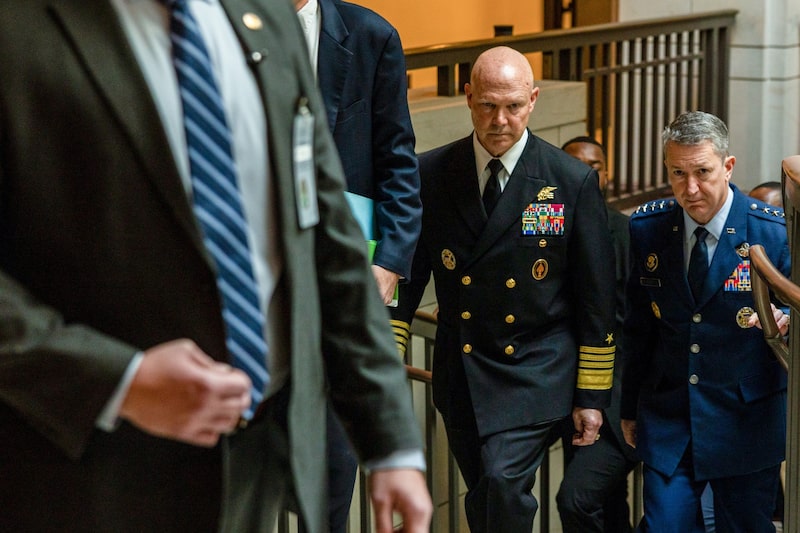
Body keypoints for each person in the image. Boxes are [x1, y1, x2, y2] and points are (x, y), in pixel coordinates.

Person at [0, 1, 432, 532]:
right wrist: (119, 381)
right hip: (85, 468)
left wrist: (389, 438)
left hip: (255, 451)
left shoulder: (266, 14)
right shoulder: (17, 27)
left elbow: (325, 228)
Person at [395, 46, 617, 533]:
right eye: (488, 105)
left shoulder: (570, 180)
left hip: (536, 370)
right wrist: (387, 357)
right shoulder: (431, 173)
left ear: (533, 100)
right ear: (467, 97)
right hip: (462, 369)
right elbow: (407, 279)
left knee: (500, 483)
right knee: (485, 496)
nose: (500, 120)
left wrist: (592, 395)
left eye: (513, 106)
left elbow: (596, 299)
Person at [620, 110, 789, 533]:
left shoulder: (773, 233)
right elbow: (639, 327)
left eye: (702, 172)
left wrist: (786, 320)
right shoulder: (647, 227)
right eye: (678, 173)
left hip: (745, 417)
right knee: (664, 525)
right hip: (670, 415)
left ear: (728, 166)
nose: (690, 188)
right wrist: (628, 407)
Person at [293, 1, 422, 530]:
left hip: (342, 274)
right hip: (253, 277)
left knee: (332, 458)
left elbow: (398, 161)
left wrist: (389, 261)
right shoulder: (222, 22)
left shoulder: (371, 36)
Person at [555, 136, 638, 533]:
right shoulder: (547, 229)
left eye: (595, 166)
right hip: (563, 392)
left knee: (577, 500)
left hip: (615, 398)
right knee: (610, 504)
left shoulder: (627, 232)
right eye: (576, 165)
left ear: (606, 173)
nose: (586, 173)